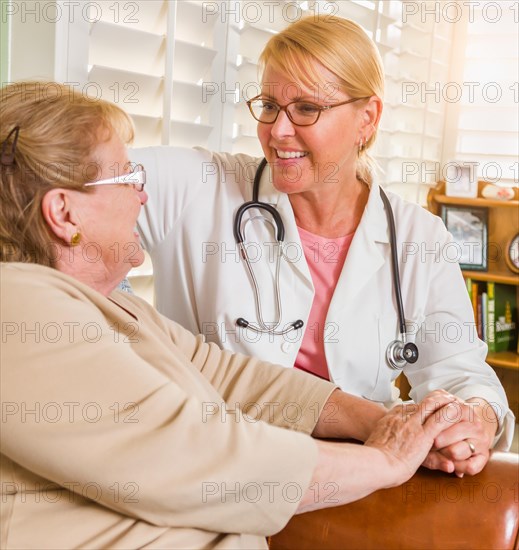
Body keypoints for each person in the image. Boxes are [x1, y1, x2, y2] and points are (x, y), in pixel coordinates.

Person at [0, 81, 463, 549]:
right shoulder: (15, 307)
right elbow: (196, 459)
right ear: (63, 212)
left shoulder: (114, 305)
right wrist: (385, 462)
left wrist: (379, 421)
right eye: (127, 177)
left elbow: (227, 376)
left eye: (307, 108)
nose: (143, 196)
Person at [131, 14, 514, 477]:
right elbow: (72, 178)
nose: (277, 131)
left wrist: (475, 418)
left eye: (306, 109)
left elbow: (459, 370)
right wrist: (121, 317)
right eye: (269, 105)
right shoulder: (200, 187)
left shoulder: (417, 238)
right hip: (216, 470)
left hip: (355, 474)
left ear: (367, 118)